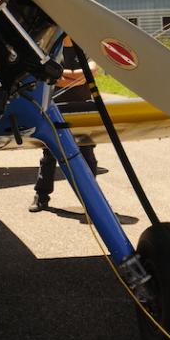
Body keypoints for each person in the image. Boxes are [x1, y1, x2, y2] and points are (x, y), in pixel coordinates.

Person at [29, 38, 106, 213]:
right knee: (49, 157)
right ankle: (41, 197)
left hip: (83, 110)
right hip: (56, 109)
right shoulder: (52, 50)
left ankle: (91, 201)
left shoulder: (83, 48)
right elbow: (53, 79)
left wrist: (65, 75)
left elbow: (92, 71)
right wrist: (77, 76)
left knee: (88, 157)